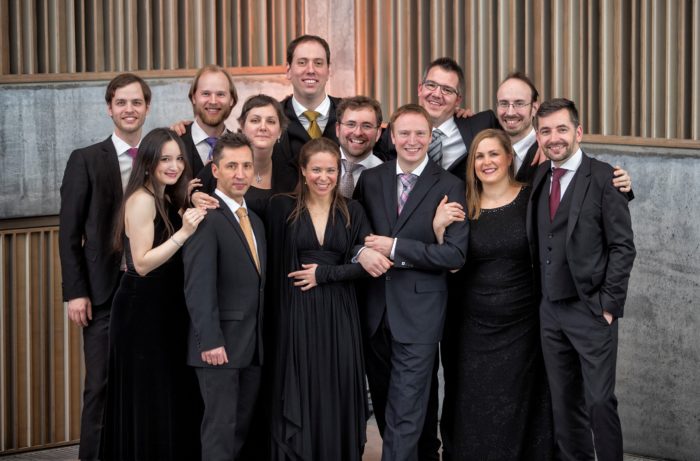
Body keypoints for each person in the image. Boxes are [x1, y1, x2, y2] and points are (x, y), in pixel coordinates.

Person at [353, 104, 469, 461]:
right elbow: (354, 236)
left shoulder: (450, 185)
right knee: (387, 406)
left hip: (420, 315)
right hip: (375, 313)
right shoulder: (371, 180)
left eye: (420, 133)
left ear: (431, 137)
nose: (412, 140)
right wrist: (361, 252)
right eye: (404, 133)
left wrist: (396, 247)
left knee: (405, 411)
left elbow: (454, 255)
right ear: (391, 136)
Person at [434, 129, 554, 460]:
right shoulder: (463, 205)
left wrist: (620, 185)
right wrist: (439, 230)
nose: (486, 162)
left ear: (509, 157)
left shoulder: (532, 197)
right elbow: (451, 264)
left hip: (524, 325)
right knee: (474, 402)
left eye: (493, 154)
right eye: (479, 156)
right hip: (472, 327)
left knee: (520, 401)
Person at [528, 98, 636, 460]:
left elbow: (623, 247)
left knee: (600, 401)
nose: (553, 138)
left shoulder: (606, 178)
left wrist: (608, 306)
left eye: (561, 129)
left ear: (579, 132)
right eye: (545, 131)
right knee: (564, 403)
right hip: (550, 311)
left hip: (591, 310)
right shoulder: (540, 176)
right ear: (538, 136)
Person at [58, 73, 151, 460]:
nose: (130, 109)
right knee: (100, 385)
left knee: (145, 386)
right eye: (121, 102)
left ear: (147, 107)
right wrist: (76, 292)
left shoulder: (159, 158)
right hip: (102, 294)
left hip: (149, 289)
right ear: (109, 108)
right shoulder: (85, 159)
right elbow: (69, 233)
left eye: (137, 102)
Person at [101, 128, 205, 460]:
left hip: (166, 308)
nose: (174, 166)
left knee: (168, 392)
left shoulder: (164, 196)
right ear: (148, 162)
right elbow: (143, 263)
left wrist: (187, 202)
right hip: (141, 311)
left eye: (179, 159)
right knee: (148, 395)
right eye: (165, 159)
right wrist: (185, 232)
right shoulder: (141, 200)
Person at [266, 137, 370, 460]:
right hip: (296, 310)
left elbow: (367, 266)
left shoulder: (353, 210)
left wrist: (325, 274)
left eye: (330, 170)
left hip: (340, 313)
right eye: (316, 170)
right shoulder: (281, 207)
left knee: (337, 384)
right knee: (301, 384)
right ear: (302, 170)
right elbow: (270, 267)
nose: (323, 178)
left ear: (339, 171)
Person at [182, 132, 266, 461]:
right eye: (231, 166)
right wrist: (210, 341)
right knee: (220, 432)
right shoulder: (205, 219)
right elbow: (198, 286)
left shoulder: (255, 220)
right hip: (219, 347)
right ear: (215, 170)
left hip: (252, 345)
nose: (240, 173)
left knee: (239, 432)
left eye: (246, 165)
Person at [192, 94, 289, 214]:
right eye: (255, 120)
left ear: (280, 131)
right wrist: (193, 196)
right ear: (242, 126)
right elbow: (191, 197)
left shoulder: (289, 172)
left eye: (271, 121)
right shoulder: (221, 164)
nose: (263, 127)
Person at [272, 35, 343, 192]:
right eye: (302, 62)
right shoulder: (271, 118)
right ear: (288, 70)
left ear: (328, 70)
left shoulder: (349, 116)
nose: (310, 70)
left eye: (318, 63)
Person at [182, 65, 237, 179]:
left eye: (220, 94)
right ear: (194, 98)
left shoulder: (239, 147)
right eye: (206, 94)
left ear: (231, 100)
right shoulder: (174, 142)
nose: (213, 101)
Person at [335, 96, 385, 198]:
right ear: (338, 129)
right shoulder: (316, 168)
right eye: (351, 124)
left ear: (378, 133)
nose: (358, 133)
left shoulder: (387, 177)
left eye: (366, 126)